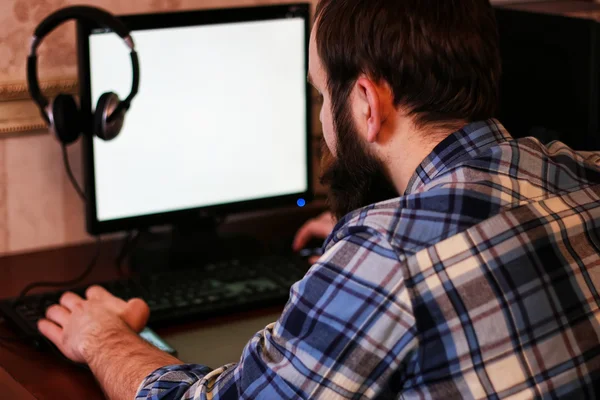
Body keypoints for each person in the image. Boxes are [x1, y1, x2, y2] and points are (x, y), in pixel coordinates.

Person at [37, 0, 600, 398]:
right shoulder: (575, 170)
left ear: (364, 102)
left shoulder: (386, 255)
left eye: (319, 95)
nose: (323, 117)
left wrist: (103, 337)